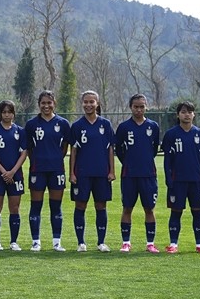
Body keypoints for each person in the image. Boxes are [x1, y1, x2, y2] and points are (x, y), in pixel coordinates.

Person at [24, 90, 71, 251]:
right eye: (43, 103)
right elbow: (29, 148)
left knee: (55, 206)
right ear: (39, 105)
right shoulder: (31, 124)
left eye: (49, 103)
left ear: (54, 103)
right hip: (37, 169)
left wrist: (56, 158)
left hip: (57, 169)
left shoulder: (63, 123)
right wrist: (37, 160)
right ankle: (36, 241)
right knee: (36, 206)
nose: (46, 106)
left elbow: (65, 146)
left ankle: (56, 242)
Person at [69, 90, 116, 252]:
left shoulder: (106, 124)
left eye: (92, 102)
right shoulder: (76, 126)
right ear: (82, 104)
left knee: (101, 206)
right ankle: (81, 242)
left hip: (101, 172)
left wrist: (112, 171)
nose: (88, 105)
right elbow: (73, 151)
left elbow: (110, 149)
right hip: (82, 173)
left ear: (97, 104)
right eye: (86, 102)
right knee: (80, 205)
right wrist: (72, 173)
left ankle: (101, 242)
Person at [161, 101, 200, 254]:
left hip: (196, 181)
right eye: (183, 112)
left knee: (197, 212)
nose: (186, 114)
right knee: (176, 212)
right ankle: (173, 244)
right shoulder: (171, 134)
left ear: (194, 114)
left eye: (189, 112)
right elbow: (167, 160)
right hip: (178, 181)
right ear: (178, 115)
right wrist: (169, 178)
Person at [114, 93, 161, 253]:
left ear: (146, 106)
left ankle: (150, 244)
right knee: (127, 208)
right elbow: (118, 149)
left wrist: (145, 161)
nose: (139, 109)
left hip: (148, 174)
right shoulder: (123, 127)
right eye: (136, 107)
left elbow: (154, 149)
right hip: (129, 174)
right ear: (131, 107)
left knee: (149, 209)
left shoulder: (153, 126)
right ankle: (126, 242)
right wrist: (128, 162)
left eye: (142, 106)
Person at [0, 100, 28, 251]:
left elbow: (24, 153)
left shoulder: (20, 131)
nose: (7, 114)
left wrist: (13, 171)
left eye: (9, 112)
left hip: (16, 175)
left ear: (14, 113)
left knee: (14, 207)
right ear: (0, 114)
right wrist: (4, 172)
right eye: (4, 112)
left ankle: (13, 242)